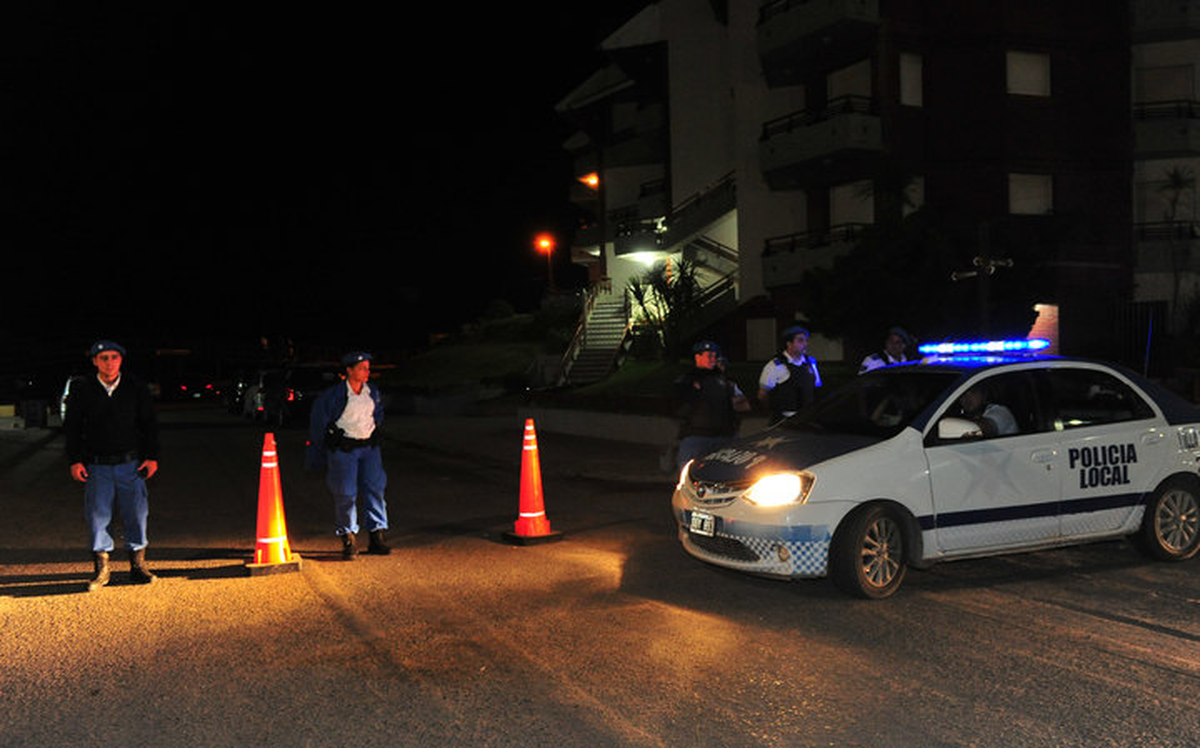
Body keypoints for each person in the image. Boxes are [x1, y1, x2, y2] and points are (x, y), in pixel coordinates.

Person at [63, 340, 160, 591]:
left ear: (121, 360)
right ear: (95, 361)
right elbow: (73, 428)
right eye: (103, 358)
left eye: (114, 357)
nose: (109, 362)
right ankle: (102, 569)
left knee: (136, 514)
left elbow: (149, 424)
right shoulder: (83, 389)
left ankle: (138, 566)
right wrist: (74, 460)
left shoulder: (135, 387)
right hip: (97, 466)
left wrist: (152, 456)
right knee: (97, 516)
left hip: (131, 465)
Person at [306, 351, 389, 559]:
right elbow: (319, 422)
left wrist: (376, 430)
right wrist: (326, 443)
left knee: (376, 489)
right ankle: (348, 538)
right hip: (344, 450)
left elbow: (377, 414)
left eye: (368, 368)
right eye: (362, 368)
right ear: (349, 371)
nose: (367, 372)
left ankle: (376, 536)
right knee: (346, 493)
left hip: (369, 448)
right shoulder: (333, 396)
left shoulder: (372, 392)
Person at [673, 341, 750, 469]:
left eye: (715, 356)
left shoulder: (726, 382)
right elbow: (681, 405)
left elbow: (743, 405)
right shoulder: (687, 380)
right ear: (698, 357)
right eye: (709, 356)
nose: (713, 359)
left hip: (724, 436)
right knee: (688, 474)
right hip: (697, 437)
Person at [758, 325, 822, 424]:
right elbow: (762, 395)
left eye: (806, 340)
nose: (805, 344)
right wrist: (775, 413)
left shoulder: (811, 363)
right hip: (785, 421)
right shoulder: (775, 365)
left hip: (808, 419)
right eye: (800, 341)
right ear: (789, 344)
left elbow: (816, 388)